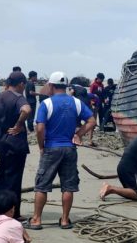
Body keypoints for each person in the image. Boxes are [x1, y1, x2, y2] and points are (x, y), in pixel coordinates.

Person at [24, 71, 95, 230]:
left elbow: (40, 127)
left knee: (42, 185)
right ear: (65, 86)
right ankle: (64, 219)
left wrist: (41, 145)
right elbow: (91, 121)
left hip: (51, 148)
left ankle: (36, 220)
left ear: (51, 86)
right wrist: (78, 134)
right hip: (70, 148)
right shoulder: (76, 102)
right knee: (68, 186)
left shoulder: (47, 104)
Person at [0, 71, 31, 221]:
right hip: (15, 143)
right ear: (21, 84)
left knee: (2, 175)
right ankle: (13, 213)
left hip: (0, 142)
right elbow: (26, 110)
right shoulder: (18, 97)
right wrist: (19, 124)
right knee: (14, 179)